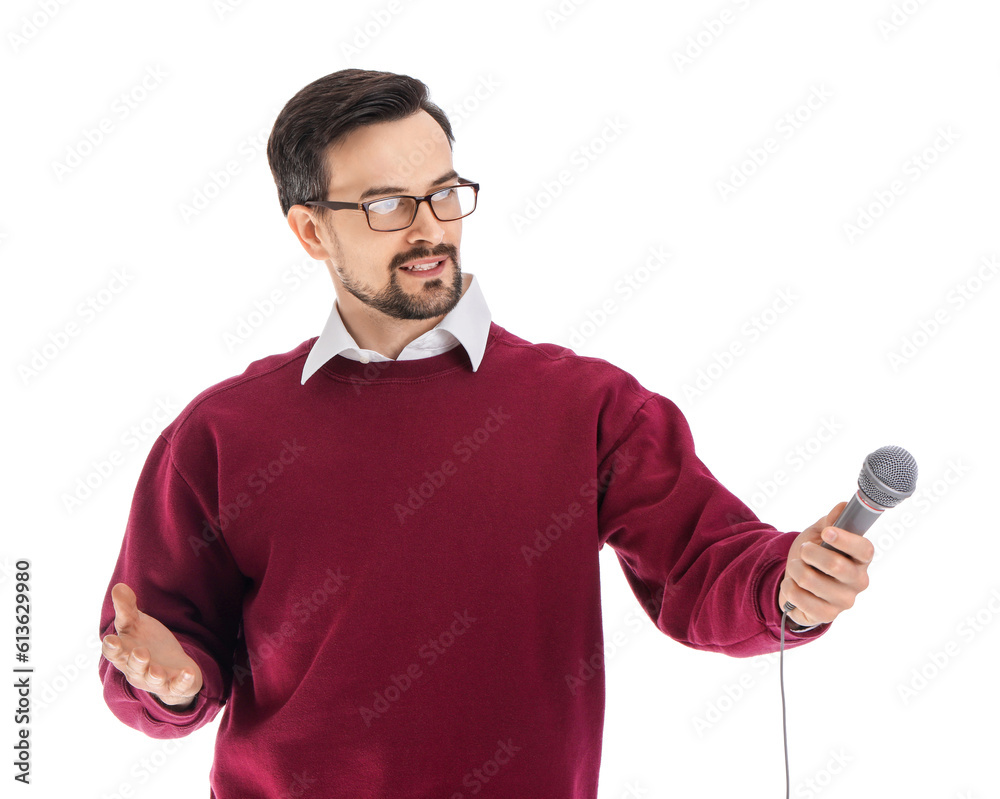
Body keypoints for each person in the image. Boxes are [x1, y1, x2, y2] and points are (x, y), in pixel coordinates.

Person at [98, 68, 874, 799]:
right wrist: (176, 683)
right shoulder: (222, 431)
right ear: (309, 230)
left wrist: (788, 584)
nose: (430, 229)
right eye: (388, 205)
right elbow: (164, 647)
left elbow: (707, 565)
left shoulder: (587, 404)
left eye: (444, 195)